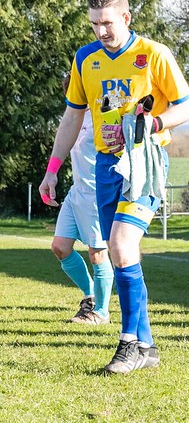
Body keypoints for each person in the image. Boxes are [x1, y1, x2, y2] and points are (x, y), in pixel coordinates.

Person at [40, 0, 189, 373]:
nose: (101, 31)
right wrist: (52, 171)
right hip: (106, 167)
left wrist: (153, 123)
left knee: (122, 245)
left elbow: (186, 106)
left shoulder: (154, 55)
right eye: (94, 24)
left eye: (107, 22)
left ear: (126, 18)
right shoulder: (85, 58)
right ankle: (147, 347)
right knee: (119, 250)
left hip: (144, 162)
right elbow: (73, 117)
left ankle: (128, 344)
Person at [50, 95, 114, 326]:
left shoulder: (103, 114)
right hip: (77, 192)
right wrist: (51, 173)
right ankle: (90, 296)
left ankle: (101, 312)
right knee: (60, 247)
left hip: (97, 193)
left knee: (97, 253)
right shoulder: (73, 118)